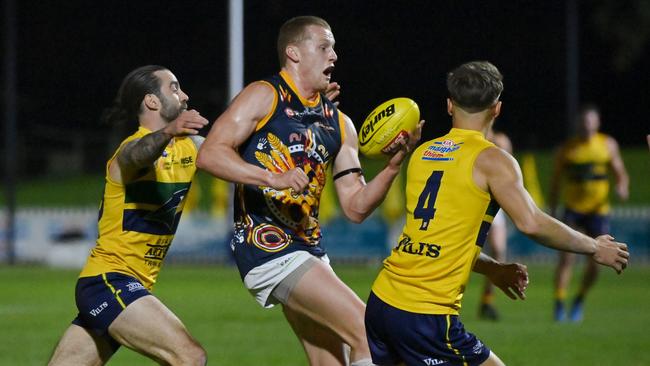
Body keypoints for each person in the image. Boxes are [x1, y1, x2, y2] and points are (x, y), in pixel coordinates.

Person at [365, 61, 630, 366]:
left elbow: (436, 243)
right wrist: (594, 246)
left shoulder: (423, 155)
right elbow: (531, 222)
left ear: (450, 105)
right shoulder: (493, 161)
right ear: (497, 109)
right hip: (425, 313)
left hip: (383, 302)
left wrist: (492, 268)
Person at [196, 15, 422, 366]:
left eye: (333, 48)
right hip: (268, 247)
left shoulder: (339, 123)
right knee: (369, 334)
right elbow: (209, 153)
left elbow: (356, 207)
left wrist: (393, 168)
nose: (334, 56)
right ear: (294, 53)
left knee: (332, 361)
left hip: (309, 250)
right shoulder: (264, 95)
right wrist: (271, 177)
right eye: (324, 47)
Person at [48, 65, 209, 365]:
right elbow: (139, 154)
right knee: (189, 358)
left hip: (129, 287)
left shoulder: (191, 148)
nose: (184, 96)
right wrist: (170, 130)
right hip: (109, 281)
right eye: (174, 88)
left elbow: (233, 146)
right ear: (152, 101)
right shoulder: (130, 150)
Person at [550, 104, 629, 322]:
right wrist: (553, 208)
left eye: (590, 122)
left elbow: (620, 172)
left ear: (597, 123)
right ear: (578, 124)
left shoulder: (607, 145)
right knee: (566, 260)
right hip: (573, 210)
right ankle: (559, 302)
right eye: (583, 122)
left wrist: (622, 186)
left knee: (597, 263)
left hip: (598, 211)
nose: (586, 126)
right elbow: (555, 182)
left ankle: (579, 300)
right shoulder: (567, 148)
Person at [478, 128, 513, 321]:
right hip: (471, 201)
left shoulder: (500, 140)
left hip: (492, 202)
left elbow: (508, 169)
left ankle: (487, 300)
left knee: (498, 250)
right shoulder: (468, 139)